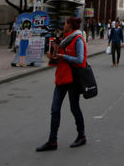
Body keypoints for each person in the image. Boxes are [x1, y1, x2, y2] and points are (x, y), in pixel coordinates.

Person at [36, 17, 87, 152]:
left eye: (65, 23)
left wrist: (64, 57)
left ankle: (81, 135)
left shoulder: (78, 39)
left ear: (70, 25)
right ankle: (52, 140)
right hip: (61, 78)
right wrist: (52, 57)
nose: (63, 25)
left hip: (73, 79)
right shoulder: (63, 40)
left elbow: (80, 59)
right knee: (55, 109)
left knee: (74, 108)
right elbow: (59, 60)